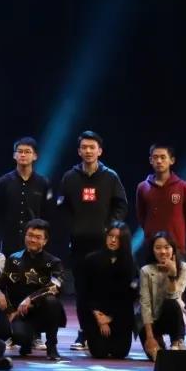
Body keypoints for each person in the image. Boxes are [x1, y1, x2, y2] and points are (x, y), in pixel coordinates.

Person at [58, 130, 128, 351]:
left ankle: (107, 329)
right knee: (82, 290)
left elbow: (121, 204)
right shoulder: (69, 177)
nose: (88, 151)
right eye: (84, 147)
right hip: (79, 244)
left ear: (100, 151)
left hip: (104, 245)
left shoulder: (110, 176)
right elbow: (62, 206)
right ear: (79, 151)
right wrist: (73, 227)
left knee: (104, 289)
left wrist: (110, 228)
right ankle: (84, 332)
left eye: (92, 147)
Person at [0, 219, 66, 361]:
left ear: (45, 241)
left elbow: (56, 287)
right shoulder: (13, 259)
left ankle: (52, 345)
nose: (33, 240)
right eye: (30, 235)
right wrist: (10, 311)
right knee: (19, 336)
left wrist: (31, 299)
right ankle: (26, 341)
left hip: (44, 313)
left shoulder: (54, 262)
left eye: (38, 237)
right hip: (21, 312)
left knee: (52, 301)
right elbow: (2, 286)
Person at [78, 221, 137, 359]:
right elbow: (84, 292)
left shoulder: (130, 263)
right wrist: (99, 316)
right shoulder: (91, 260)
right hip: (95, 314)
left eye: (118, 237)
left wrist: (110, 318)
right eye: (110, 236)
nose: (113, 240)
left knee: (120, 353)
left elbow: (130, 296)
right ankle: (88, 336)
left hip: (119, 316)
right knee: (99, 352)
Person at [0, 137, 54, 256]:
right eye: (20, 151)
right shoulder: (4, 182)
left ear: (35, 156)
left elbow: (48, 214)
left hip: (34, 241)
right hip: (9, 241)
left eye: (27, 152)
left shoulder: (43, 183)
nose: (23, 155)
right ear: (14, 155)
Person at [139, 232, 186, 360]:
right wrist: (150, 337)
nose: (163, 252)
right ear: (152, 250)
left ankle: (177, 342)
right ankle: (158, 341)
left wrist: (172, 275)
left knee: (171, 302)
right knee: (158, 358)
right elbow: (145, 304)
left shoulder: (184, 268)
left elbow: (175, 297)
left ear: (173, 249)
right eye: (158, 248)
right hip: (152, 320)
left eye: (167, 247)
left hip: (173, 315)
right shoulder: (146, 270)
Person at [135, 143, 186, 255]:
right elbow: (141, 217)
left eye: (163, 157)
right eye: (155, 157)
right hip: (151, 247)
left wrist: (178, 232)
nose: (159, 161)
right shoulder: (142, 187)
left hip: (177, 246)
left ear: (172, 160)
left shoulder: (184, 187)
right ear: (150, 160)